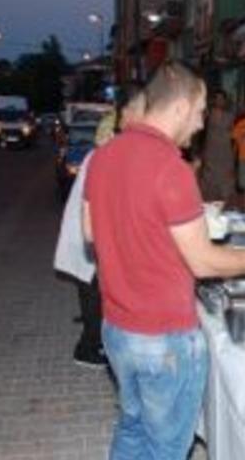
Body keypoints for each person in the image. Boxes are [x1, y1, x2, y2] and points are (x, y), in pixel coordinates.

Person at [83, 60, 245, 459]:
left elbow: (91, 232)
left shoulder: (103, 155)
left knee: (133, 427)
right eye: (200, 111)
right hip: (164, 338)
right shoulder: (170, 168)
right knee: (166, 448)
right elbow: (204, 263)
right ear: (180, 106)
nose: (201, 122)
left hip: (117, 328)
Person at [53, 88, 146, 367]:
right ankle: (89, 350)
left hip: (89, 236)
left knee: (94, 294)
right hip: (88, 237)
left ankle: (94, 344)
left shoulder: (107, 154)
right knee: (93, 295)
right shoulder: (106, 157)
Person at [199, 89, 236, 202]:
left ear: (225, 101)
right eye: (217, 99)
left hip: (225, 154)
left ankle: (223, 209)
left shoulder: (230, 116)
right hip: (210, 153)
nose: (219, 101)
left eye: (221, 99)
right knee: (208, 182)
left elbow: (234, 135)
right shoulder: (208, 113)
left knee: (225, 183)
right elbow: (200, 132)